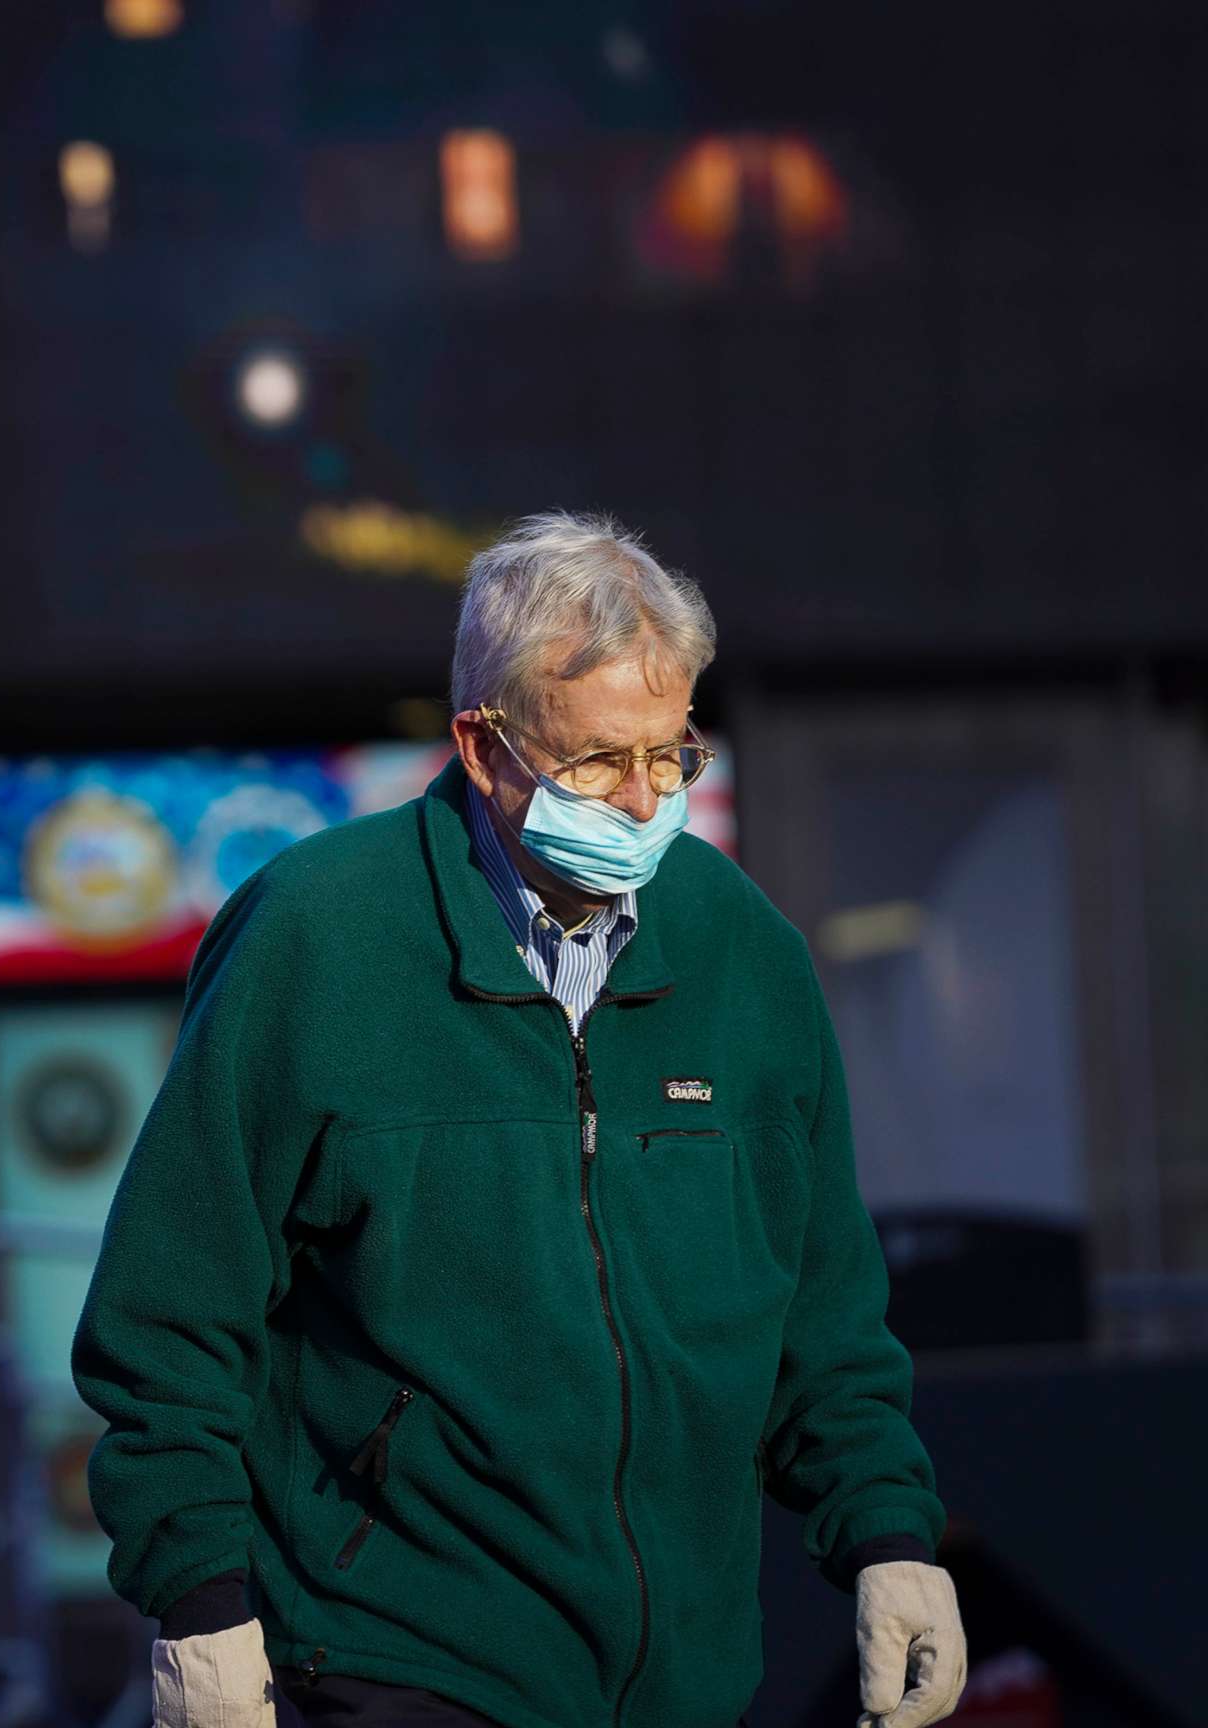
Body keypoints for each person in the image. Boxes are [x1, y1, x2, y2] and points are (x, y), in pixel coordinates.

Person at [73, 514, 967, 1728]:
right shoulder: (314, 937)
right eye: (599, 762)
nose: (647, 801)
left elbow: (822, 1309)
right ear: (482, 747)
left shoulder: (747, 954)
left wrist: (889, 1534)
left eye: (673, 756)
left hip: (691, 1683)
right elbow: (168, 1318)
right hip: (399, 1662)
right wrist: (199, 1601)